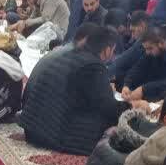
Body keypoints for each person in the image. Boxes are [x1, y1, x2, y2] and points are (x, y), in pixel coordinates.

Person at [21, 25, 124, 155]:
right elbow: (108, 107)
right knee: (110, 126)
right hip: (50, 134)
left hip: (32, 128)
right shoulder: (93, 65)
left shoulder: (69, 54)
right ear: (107, 50)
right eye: (113, 51)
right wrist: (131, 107)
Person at [118, 24, 166, 102]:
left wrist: (144, 89)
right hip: (157, 89)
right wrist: (127, 85)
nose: (147, 52)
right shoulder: (152, 50)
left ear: (161, 43)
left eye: (150, 48)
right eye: (146, 49)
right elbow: (139, 67)